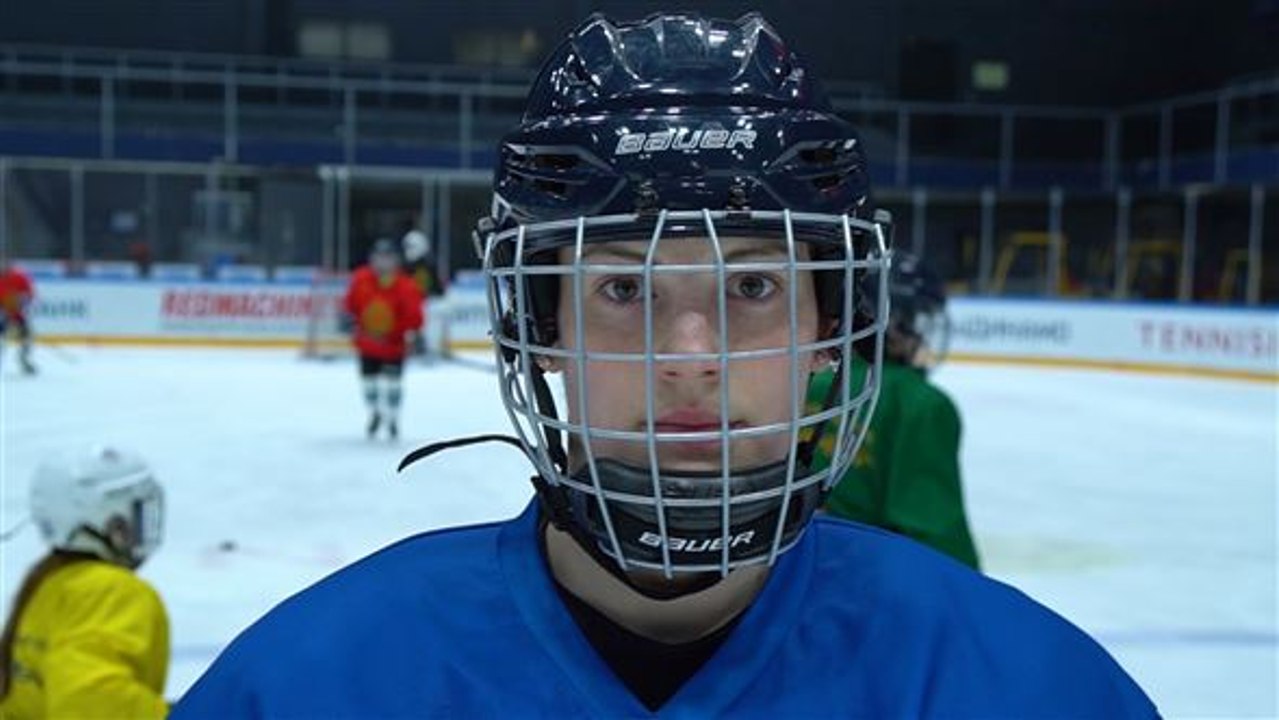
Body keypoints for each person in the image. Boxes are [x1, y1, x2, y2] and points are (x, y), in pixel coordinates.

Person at [173, 13, 1156, 717]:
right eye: (623, 291)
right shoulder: (305, 684)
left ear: (834, 325)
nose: (691, 360)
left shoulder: (1032, 687)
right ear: (538, 324)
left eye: (755, 290)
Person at [806, 252, 981, 569]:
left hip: (801, 571)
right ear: (883, 318)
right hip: (877, 580)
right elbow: (933, 531)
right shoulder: (921, 405)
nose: (917, 335)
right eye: (912, 320)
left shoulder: (809, 385)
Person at [0, 446, 169, 719]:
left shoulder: (45, 586)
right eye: (137, 512)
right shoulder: (113, 591)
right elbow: (93, 701)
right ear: (112, 522)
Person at [343, 238, 424, 440]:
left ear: (396, 261)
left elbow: (415, 316)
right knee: (368, 385)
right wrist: (346, 319)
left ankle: (393, 418)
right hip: (367, 346)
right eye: (379, 257)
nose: (383, 262)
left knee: (393, 385)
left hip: (394, 347)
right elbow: (350, 306)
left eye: (388, 258)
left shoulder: (406, 285)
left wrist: (411, 332)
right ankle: (375, 412)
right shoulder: (360, 279)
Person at [0, 260, 37, 375]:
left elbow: (30, 294)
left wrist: (21, 302)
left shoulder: (19, 277)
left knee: (27, 336)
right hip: (2, 315)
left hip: (18, 314)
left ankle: (24, 360)